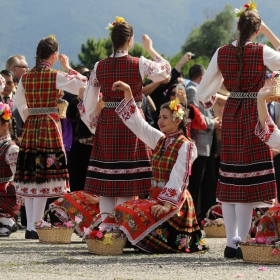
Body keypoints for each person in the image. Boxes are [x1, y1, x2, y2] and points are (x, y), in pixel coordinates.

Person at [197, 4, 280, 258]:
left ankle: (232, 242)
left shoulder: (221, 52)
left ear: (237, 27)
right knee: (246, 182)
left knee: (231, 180)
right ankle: (240, 241)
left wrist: (212, 101)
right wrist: (269, 33)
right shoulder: (261, 50)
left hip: (232, 113)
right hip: (255, 112)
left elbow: (202, 92)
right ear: (256, 31)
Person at [78, 16, 171, 219]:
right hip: (131, 122)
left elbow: (89, 103)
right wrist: (150, 49)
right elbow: (166, 74)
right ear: (130, 41)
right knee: (127, 179)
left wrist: (94, 123)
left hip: (108, 121)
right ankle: (122, 229)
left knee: (106, 180)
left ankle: (104, 227)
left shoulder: (99, 65)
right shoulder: (139, 63)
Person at [100, 81, 206, 253]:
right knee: (120, 209)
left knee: (134, 214)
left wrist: (166, 205)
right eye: (159, 117)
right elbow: (140, 125)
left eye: (165, 117)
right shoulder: (161, 140)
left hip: (174, 203)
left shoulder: (186, 145)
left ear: (178, 120)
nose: (160, 121)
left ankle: (144, 241)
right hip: (154, 198)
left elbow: (179, 177)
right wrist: (128, 92)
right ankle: (119, 240)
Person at [14, 36, 88, 239]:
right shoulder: (54, 75)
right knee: (44, 175)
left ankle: (30, 225)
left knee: (31, 175)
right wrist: (69, 67)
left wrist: (30, 117)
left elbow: (19, 104)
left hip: (31, 126)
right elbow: (83, 83)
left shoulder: (25, 77)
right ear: (54, 55)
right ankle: (36, 225)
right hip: (48, 125)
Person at [186, 64, 221, 225]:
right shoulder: (192, 90)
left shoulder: (200, 90)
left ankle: (206, 217)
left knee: (208, 181)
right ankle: (192, 217)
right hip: (198, 142)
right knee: (195, 183)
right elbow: (195, 115)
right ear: (201, 76)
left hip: (207, 144)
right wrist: (212, 122)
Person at [0, 82, 20, 236]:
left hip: (6, 194)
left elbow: (17, 177)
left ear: (4, 125)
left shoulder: (11, 148)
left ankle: (9, 221)